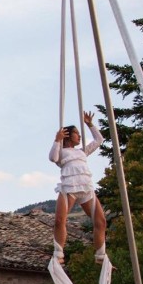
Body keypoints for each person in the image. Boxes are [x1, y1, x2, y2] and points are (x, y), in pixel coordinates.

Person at [48, 111, 107, 264]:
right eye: (77, 133)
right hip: (69, 189)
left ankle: (100, 256)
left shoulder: (82, 152)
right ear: (68, 136)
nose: (79, 136)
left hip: (86, 188)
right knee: (60, 220)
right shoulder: (61, 152)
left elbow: (99, 140)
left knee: (100, 222)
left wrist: (90, 124)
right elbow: (52, 158)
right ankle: (59, 254)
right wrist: (57, 140)